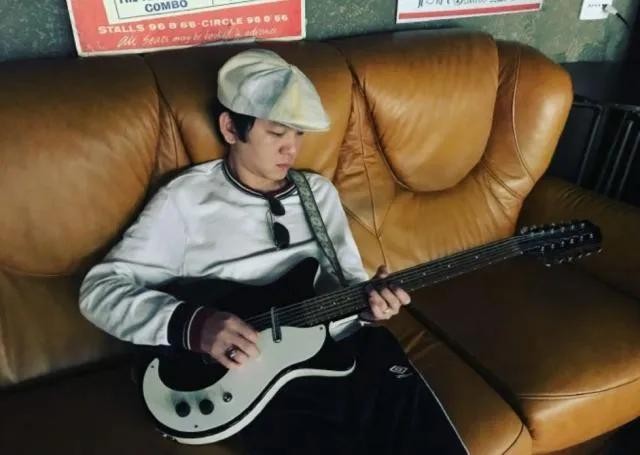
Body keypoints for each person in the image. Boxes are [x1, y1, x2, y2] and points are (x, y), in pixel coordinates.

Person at [79, 48, 467, 454]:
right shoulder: (187, 199)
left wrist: (370, 306)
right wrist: (195, 326)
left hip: (345, 351)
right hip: (257, 375)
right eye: (277, 133)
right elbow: (99, 291)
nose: (291, 150)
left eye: (298, 134)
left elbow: (349, 286)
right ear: (231, 128)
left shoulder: (318, 192)